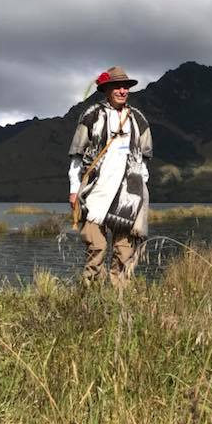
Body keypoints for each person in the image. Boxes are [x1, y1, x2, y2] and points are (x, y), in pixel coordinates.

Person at [68, 66, 152, 286]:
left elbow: (143, 161)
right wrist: (74, 190)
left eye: (125, 87)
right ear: (107, 89)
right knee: (96, 247)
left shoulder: (139, 120)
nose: (122, 91)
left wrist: (142, 188)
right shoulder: (91, 116)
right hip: (95, 190)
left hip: (129, 194)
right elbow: (77, 157)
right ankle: (89, 296)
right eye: (117, 87)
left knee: (124, 251)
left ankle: (119, 297)